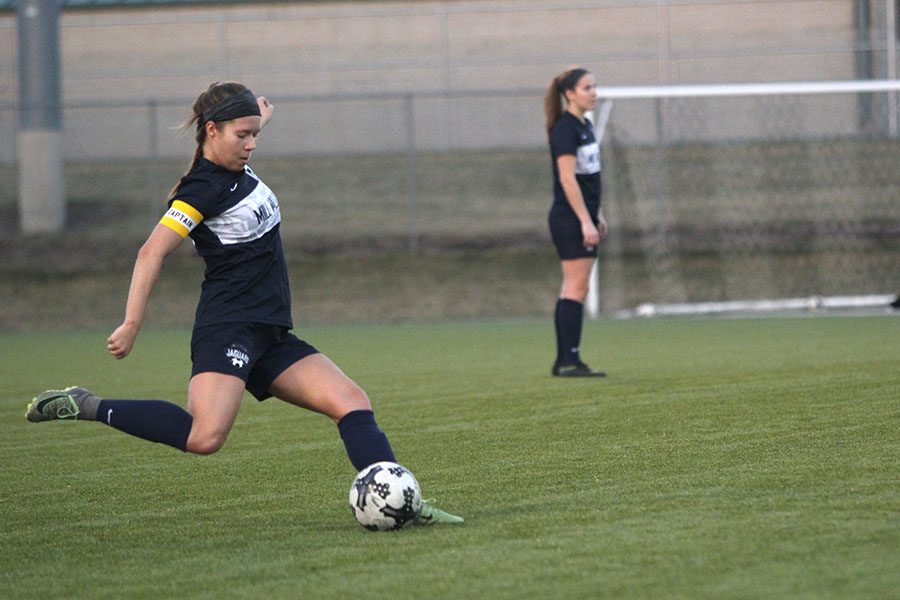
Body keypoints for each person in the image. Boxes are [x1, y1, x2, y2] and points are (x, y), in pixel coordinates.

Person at [26, 81, 462, 526]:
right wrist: (133, 322)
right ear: (212, 130)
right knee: (203, 435)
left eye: (256, 134)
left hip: (270, 332)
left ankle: (404, 505)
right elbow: (150, 251)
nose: (251, 144)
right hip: (229, 328)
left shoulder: (235, 161)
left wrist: (257, 117)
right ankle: (87, 404)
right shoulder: (200, 190)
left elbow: (242, 127)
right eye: (243, 135)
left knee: (351, 401)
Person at [544, 67, 608, 377]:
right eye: (586, 88)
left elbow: (589, 178)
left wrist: (599, 215)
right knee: (574, 286)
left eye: (594, 87)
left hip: (584, 216)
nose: (593, 92)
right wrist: (585, 221)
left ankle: (569, 358)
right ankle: (567, 360)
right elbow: (567, 179)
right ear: (570, 94)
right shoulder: (565, 129)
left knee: (578, 288)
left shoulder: (585, 126)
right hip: (569, 219)